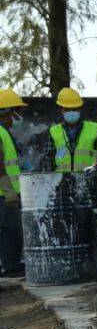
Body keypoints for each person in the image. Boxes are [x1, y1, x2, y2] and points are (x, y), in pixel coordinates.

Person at [48, 87, 97, 173]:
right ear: (62, 110)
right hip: (61, 182)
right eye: (68, 109)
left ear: (79, 109)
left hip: (89, 181)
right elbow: (48, 159)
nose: (71, 111)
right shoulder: (54, 132)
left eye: (74, 108)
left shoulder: (95, 129)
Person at [0, 90, 25, 276]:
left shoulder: (5, 132)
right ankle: (10, 267)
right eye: (13, 114)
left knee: (10, 230)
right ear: (4, 113)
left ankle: (10, 265)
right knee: (12, 230)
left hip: (6, 191)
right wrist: (8, 189)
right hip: (4, 193)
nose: (15, 119)